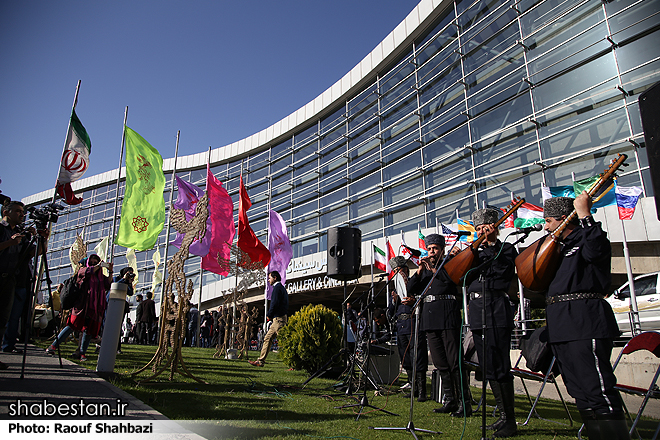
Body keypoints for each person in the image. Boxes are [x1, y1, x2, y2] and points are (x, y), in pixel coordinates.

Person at [542, 194, 629, 439]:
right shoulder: (557, 248)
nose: (545, 226)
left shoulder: (588, 236)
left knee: (596, 387)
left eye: (548, 220)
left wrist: (584, 215)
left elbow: (596, 252)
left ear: (563, 219)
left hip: (584, 320)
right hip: (561, 323)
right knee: (578, 389)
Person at [467, 208, 518, 437]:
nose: (481, 232)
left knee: (500, 364)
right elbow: (461, 276)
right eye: (477, 229)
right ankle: (502, 415)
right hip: (477, 311)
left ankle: (510, 419)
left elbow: (503, 272)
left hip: (496, 308)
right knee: (488, 365)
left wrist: (492, 245)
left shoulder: (505, 248)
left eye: (484, 228)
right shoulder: (474, 252)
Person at [408, 233, 470, 416]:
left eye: (435, 248)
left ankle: (464, 402)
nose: (431, 252)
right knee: (440, 362)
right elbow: (412, 288)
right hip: (430, 317)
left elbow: (452, 279)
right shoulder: (425, 269)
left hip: (448, 315)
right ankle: (449, 399)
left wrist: (435, 270)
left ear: (442, 249)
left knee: (454, 361)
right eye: (429, 249)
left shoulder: (449, 262)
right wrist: (420, 270)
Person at [0, 201, 46, 368]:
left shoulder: (20, 233)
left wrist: (42, 239)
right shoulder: (1, 229)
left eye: (23, 212)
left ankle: (4, 349)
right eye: (18, 211)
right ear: (6, 212)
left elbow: (36, 253)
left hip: (12, 279)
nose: (21, 215)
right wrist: (10, 243)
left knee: (3, 319)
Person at [46, 254, 112, 361]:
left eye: (96, 262)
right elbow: (88, 271)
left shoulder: (100, 277)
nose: (94, 264)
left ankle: (82, 353)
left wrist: (111, 271)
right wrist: (98, 266)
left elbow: (108, 284)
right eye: (92, 262)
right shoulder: (83, 271)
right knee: (72, 325)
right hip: (82, 305)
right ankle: (53, 346)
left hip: (95, 307)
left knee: (88, 330)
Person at [389, 256, 428, 402]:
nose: (396, 273)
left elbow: (424, 299)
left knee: (418, 357)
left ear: (405, 270)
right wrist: (394, 301)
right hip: (401, 326)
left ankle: (422, 390)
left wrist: (414, 301)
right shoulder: (396, 289)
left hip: (413, 323)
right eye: (394, 271)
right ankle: (413, 388)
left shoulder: (415, 282)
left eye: (398, 270)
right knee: (405, 358)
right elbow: (391, 312)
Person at [248, 271, 288, 367]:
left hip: (278, 320)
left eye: (269, 278)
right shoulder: (281, 288)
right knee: (267, 338)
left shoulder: (277, 288)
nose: (268, 280)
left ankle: (295, 363)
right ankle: (260, 361)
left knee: (285, 341)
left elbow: (274, 303)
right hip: (277, 320)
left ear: (275, 278)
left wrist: (269, 314)